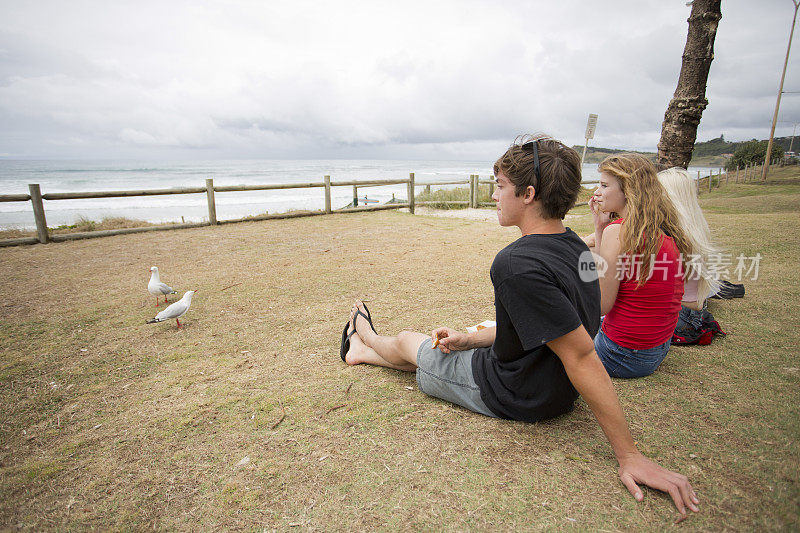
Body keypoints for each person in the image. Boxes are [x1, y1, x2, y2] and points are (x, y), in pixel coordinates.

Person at [340, 136, 699, 516]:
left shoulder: (515, 264)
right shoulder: (575, 246)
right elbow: (549, 326)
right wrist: (470, 338)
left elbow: (580, 354)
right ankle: (363, 354)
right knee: (442, 349)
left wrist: (630, 455)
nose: (495, 195)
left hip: (514, 392)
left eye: (500, 186)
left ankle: (364, 337)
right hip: (552, 388)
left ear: (528, 194)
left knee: (411, 342)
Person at [588, 154, 692, 379]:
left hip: (620, 355)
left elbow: (600, 304)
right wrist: (600, 228)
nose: (597, 192)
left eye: (604, 185)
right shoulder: (662, 231)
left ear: (629, 190)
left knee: (558, 331)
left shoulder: (618, 232)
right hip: (654, 350)